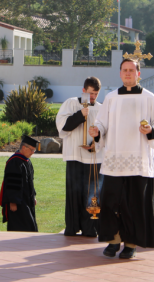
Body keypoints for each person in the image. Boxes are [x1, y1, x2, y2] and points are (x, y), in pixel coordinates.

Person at [89, 58, 154, 259]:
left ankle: (131, 244)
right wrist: (97, 131)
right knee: (109, 203)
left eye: (131, 70)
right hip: (115, 160)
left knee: (134, 206)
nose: (127, 73)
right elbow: (102, 123)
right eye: (124, 70)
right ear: (120, 73)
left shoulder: (149, 98)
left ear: (138, 74)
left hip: (138, 160)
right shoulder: (112, 98)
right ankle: (114, 240)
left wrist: (151, 130)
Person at [56, 76, 104, 237]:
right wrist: (79, 115)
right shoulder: (70, 103)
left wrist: (95, 143)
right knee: (74, 193)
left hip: (93, 157)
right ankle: (72, 227)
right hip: (75, 156)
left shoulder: (101, 109)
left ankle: (90, 228)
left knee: (91, 194)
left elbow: (106, 133)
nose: (93, 97)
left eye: (96, 94)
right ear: (83, 90)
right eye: (90, 94)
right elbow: (62, 128)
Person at [0, 135, 39, 232]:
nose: (33, 153)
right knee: (21, 227)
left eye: (34, 150)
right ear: (24, 148)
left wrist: (33, 196)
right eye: (31, 150)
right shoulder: (15, 162)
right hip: (18, 202)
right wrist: (13, 201)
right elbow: (12, 183)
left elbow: (30, 181)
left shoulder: (26, 161)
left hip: (27, 199)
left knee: (29, 226)